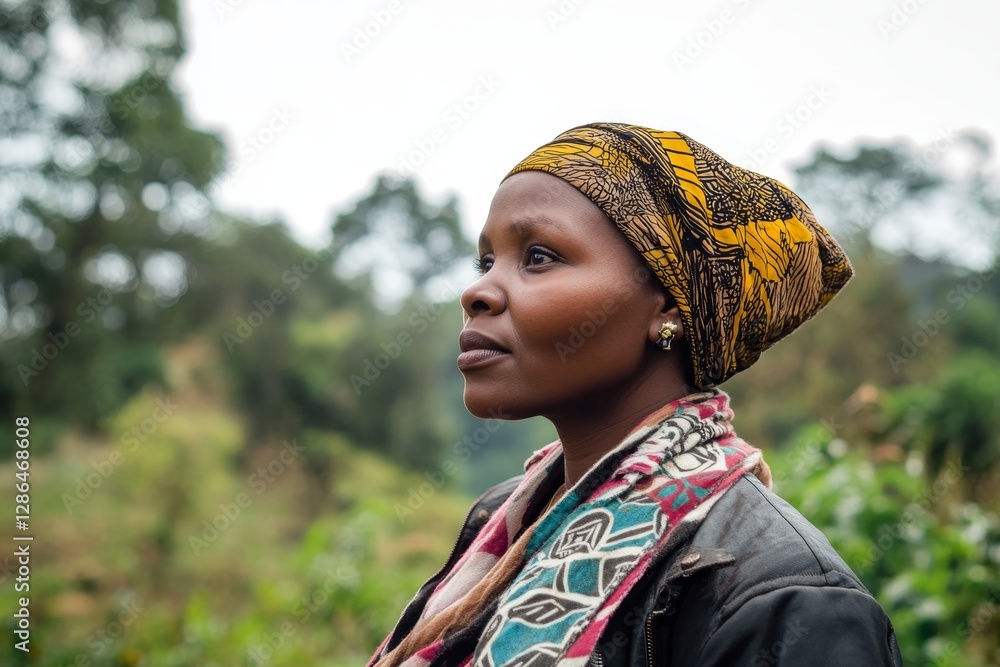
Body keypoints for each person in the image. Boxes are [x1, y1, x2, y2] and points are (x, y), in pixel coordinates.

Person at [367, 123, 903, 666]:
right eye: (486, 262)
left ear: (667, 305)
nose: (476, 292)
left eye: (539, 257)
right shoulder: (508, 521)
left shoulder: (787, 601)